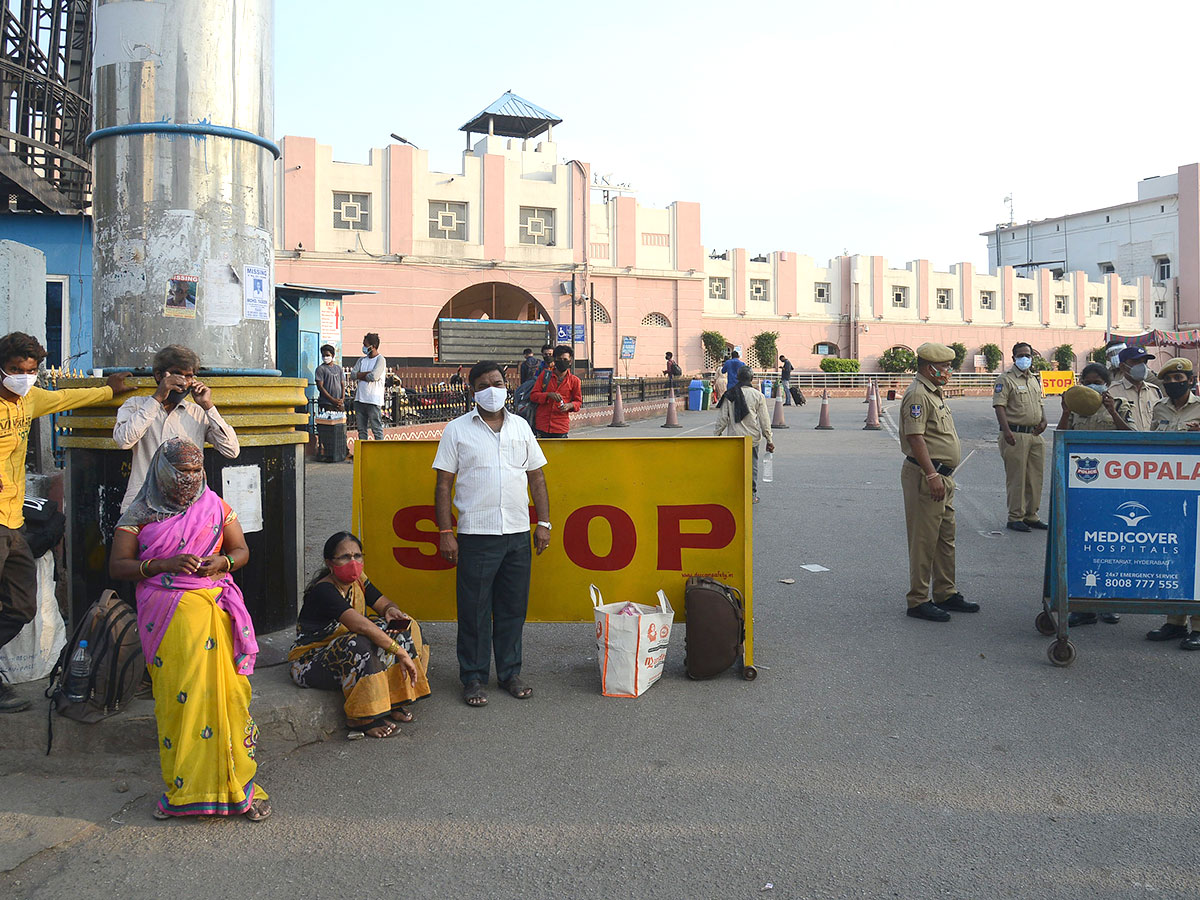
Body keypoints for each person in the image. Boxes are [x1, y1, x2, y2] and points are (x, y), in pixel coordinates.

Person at [108, 438, 269, 821]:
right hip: (167, 619)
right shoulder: (139, 513)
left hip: (215, 609)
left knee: (229, 701)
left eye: (196, 470)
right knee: (181, 703)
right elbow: (118, 567)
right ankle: (183, 791)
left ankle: (239, 787)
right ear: (162, 470)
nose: (189, 479)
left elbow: (242, 550)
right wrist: (162, 565)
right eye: (181, 470)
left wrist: (224, 562)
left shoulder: (215, 506)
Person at [0, 332, 133, 713]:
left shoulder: (29, 399)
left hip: (13, 522)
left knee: (21, 607)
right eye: (14, 370)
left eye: (29, 370)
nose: (23, 377)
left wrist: (108, 390)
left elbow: (65, 398)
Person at [433, 361, 551, 708]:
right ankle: (472, 678)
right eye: (483, 385)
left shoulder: (521, 428)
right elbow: (444, 483)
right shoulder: (457, 430)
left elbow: (537, 478)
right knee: (474, 611)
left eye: (497, 382)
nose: (491, 389)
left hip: (517, 533)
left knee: (513, 609)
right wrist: (445, 531)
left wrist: (543, 523)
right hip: (477, 535)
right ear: (473, 391)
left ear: (506, 384)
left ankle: (511, 673)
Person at [289, 531, 429, 739]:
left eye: (357, 556)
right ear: (329, 563)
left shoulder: (359, 582)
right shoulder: (325, 591)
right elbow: (360, 626)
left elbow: (383, 604)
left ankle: (395, 699)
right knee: (359, 643)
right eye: (345, 557)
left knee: (401, 626)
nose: (353, 562)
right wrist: (400, 652)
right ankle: (362, 718)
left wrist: (391, 610)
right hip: (311, 663)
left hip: (340, 649)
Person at [899, 342, 977, 622]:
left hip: (942, 477)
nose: (948, 371)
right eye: (944, 367)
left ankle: (946, 591)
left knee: (945, 537)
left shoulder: (935, 392)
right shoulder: (918, 394)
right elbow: (915, 437)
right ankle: (918, 599)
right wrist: (931, 474)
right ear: (928, 367)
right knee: (924, 540)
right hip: (926, 476)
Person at [114, 345, 240, 511]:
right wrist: (158, 398)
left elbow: (231, 450)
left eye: (188, 376)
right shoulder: (136, 405)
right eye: (176, 374)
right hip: (144, 505)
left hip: (188, 508)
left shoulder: (198, 412)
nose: (182, 382)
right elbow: (123, 441)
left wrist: (208, 406)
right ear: (159, 375)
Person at [1057, 364, 1132, 627]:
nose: (1092, 386)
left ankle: (1109, 603)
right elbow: (1061, 436)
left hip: (1114, 483)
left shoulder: (1120, 404)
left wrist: (1111, 410)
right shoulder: (1076, 405)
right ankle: (1084, 606)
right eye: (1086, 381)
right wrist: (1067, 410)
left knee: (1112, 545)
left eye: (1097, 381)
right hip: (1081, 483)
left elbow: (1132, 437)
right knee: (1081, 545)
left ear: (1106, 383)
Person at [1144, 358, 1200, 650]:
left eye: (1179, 377)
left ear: (1190, 380)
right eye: (1168, 379)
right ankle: (1174, 622)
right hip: (1167, 493)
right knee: (1172, 555)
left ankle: (1199, 624)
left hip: (1197, 496)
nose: (1173, 383)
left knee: (1197, 559)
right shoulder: (1160, 408)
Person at [993, 342, 1047, 532]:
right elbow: (999, 406)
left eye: (1028, 355)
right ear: (1014, 357)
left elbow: (1039, 403)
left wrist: (1044, 420)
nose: (1025, 358)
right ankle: (1015, 516)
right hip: (1015, 434)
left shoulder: (1034, 379)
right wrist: (1006, 430)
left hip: (1034, 434)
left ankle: (1031, 515)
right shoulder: (1005, 379)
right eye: (1021, 355)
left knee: (1035, 477)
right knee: (1017, 478)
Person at [713, 367, 775, 503]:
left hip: (734, 438)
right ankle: (751, 495)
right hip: (752, 438)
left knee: (733, 467)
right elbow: (764, 420)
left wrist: (716, 436)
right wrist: (769, 439)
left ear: (738, 378)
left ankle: (734, 494)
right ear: (751, 379)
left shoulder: (730, 394)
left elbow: (722, 419)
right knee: (752, 466)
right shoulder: (758, 395)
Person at [530, 345, 582, 438]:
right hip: (542, 425)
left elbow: (578, 402)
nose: (562, 362)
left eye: (565, 359)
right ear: (555, 360)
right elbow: (533, 396)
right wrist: (548, 395)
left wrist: (569, 405)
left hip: (560, 426)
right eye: (559, 359)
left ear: (570, 361)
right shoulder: (544, 376)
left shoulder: (574, 381)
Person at [1108, 346, 1162, 432]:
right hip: (1127, 443)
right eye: (1136, 362)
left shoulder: (1154, 391)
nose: (1142, 366)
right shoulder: (1112, 391)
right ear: (1122, 366)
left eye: (1144, 362)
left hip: (1152, 443)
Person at [351, 332, 386, 441]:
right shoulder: (362, 360)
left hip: (373, 400)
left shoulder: (380, 360)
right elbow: (353, 375)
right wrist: (367, 373)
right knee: (361, 430)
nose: (364, 347)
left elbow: (374, 376)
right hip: (360, 399)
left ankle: (381, 452)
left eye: (366, 345)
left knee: (376, 429)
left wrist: (360, 375)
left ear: (373, 346)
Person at [314, 344, 345, 413]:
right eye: (323, 355)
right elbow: (320, 387)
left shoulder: (338, 368)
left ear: (333, 355)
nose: (325, 357)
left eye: (327, 355)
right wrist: (332, 400)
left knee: (340, 422)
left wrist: (342, 399)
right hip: (326, 403)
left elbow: (343, 384)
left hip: (339, 403)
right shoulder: (320, 369)